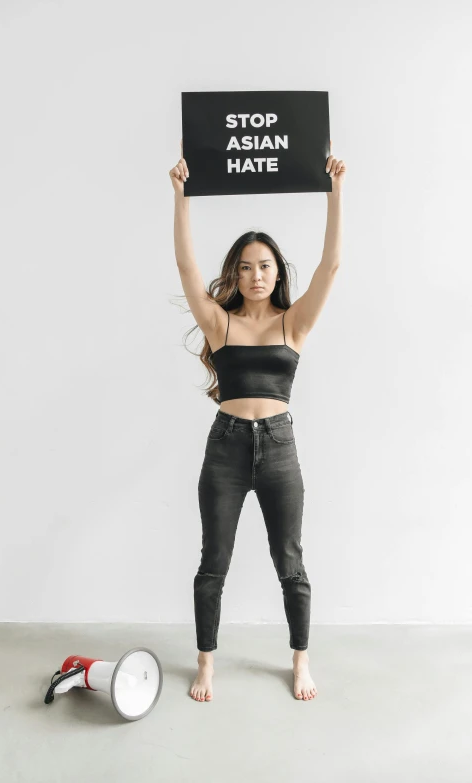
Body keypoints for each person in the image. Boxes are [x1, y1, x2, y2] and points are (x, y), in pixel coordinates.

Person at [169, 139, 346, 703]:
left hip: (278, 447)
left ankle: (299, 661)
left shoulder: (294, 324)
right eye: (245, 268)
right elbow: (186, 266)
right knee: (213, 561)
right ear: (236, 275)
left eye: (264, 265)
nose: (255, 275)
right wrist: (181, 196)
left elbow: (331, 264)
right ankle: (206, 664)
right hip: (225, 448)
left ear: (276, 271)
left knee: (290, 561)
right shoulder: (220, 326)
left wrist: (335, 191)